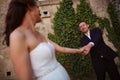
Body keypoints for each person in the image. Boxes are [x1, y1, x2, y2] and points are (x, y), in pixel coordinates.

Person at [3, 0, 85, 80]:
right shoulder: (17, 35)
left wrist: (79, 50)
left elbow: (61, 48)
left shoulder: (38, 34)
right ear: (29, 7)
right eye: (37, 6)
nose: (39, 9)